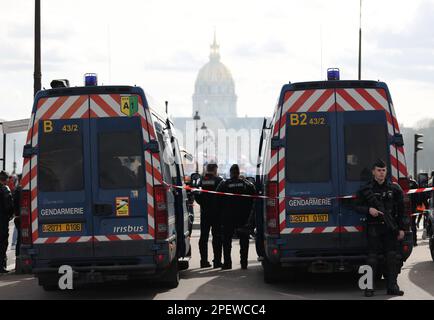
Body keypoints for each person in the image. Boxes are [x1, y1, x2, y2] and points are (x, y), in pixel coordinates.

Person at [355, 160, 407, 297]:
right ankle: (369, 288)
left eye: (383, 170)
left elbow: (402, 211)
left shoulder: (394, 189)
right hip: (373, 228)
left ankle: (392, 286)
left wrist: (402, 229)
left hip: (390, 229)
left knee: (392, 257)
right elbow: (356, 206)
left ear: (386, 172)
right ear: (373, 172)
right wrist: (368, 209)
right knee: (372, 258)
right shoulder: (366, 189)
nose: (381, 173)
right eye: (378, 170)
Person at [216, 164, 256, 270]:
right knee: (244, 241)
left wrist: (222, 213)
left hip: (228, 217)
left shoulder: (224, 184)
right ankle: (244, 263)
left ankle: (227, 263)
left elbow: (217, 199)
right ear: (239, 173)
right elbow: (254, 199)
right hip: (243, 218)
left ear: (231, 173)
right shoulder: (247, 184)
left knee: (227, 242)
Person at [195, 163, 223, 268]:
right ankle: (217, 261)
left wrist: (203, 203)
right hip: (216, 214)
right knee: (217, 237)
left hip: (205, 212)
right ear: (215, 170)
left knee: (204, 237)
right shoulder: (219, 181)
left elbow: (196, 195)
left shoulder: (201, 180)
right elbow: (223, 196)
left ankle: (203, 261)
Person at [0, 171, 14, 273]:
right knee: (2, 242)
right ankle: (1, 266)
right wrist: (10, 215)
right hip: (2, 220)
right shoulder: (5, 189)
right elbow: (9, 206)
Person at [408, 177, 419, 246]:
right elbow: (417, 196)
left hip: (409, 206)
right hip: (412, 207)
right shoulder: (414, 183)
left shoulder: (413, 183)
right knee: (412, 224)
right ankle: (414, 241)